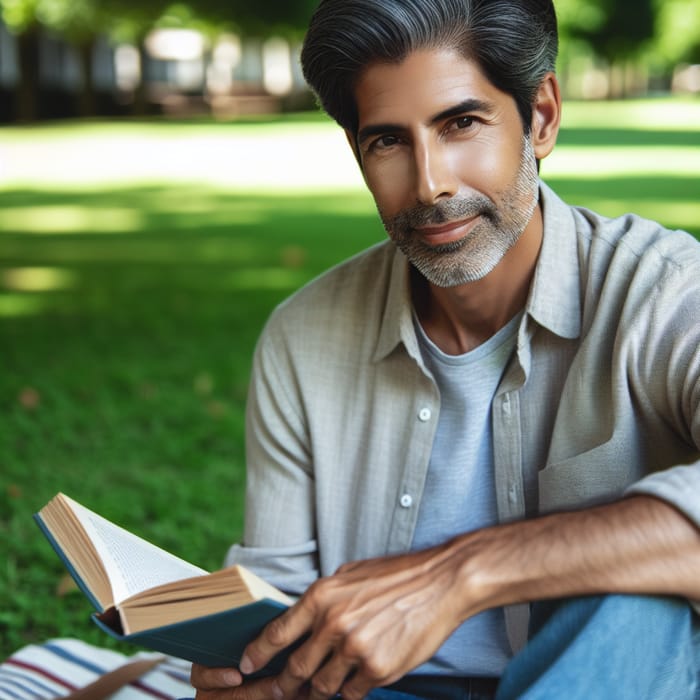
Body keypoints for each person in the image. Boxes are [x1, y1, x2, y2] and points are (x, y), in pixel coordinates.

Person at [192, 0, 700, 698]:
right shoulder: (303, 335)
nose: (429, 184)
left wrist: (461, 574)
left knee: (638, 597)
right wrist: (251, 668)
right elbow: (280, 596)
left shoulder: (664, 291)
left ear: (542, 116)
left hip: (603, 676)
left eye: (461, 123)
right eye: (388, 142)